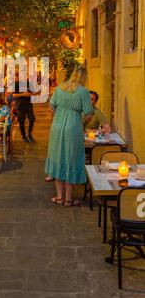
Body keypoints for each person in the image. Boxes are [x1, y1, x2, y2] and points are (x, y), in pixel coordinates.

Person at [45, 67, 93, 206]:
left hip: (57, 127)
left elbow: (51, 107)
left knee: (57, 158)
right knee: (71, 159)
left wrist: (59, 117)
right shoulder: (83, 91)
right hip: (74, 128)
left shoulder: (60, 88)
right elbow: (89, 113)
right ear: (84, 77)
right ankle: (68, 199)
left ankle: (59, 197)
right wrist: (82, 122)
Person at [11, 72, 37, 143]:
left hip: (29, 105)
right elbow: (14, 95)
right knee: (21, 121)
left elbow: (34, 93)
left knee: (32, 119)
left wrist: (33, 94)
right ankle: (24, 136)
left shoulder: (29, 83)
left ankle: (29, 134)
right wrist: (24, 94)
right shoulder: (16, 84)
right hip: (20, 105)